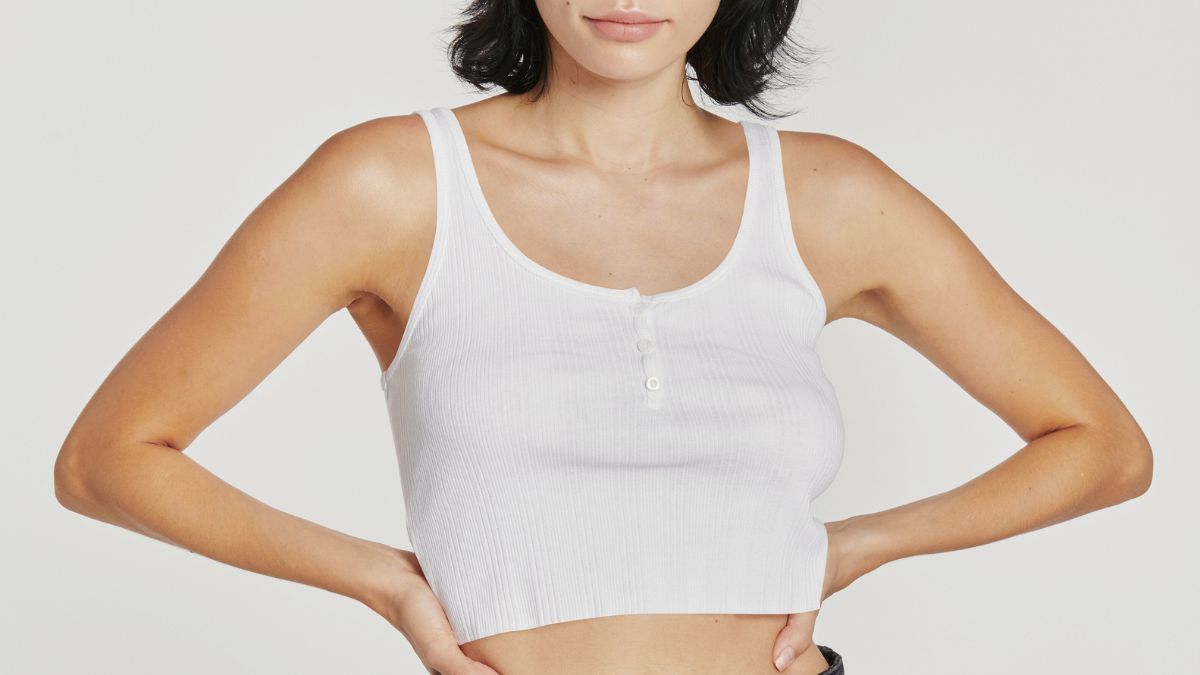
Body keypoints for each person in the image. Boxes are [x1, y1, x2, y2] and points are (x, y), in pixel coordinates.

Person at [54, 1, 1154, 674]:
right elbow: (109, 459)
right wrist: (387, 585)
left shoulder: (830, 199)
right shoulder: (391, 184)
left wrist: (857, 546)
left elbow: (1102, 446)